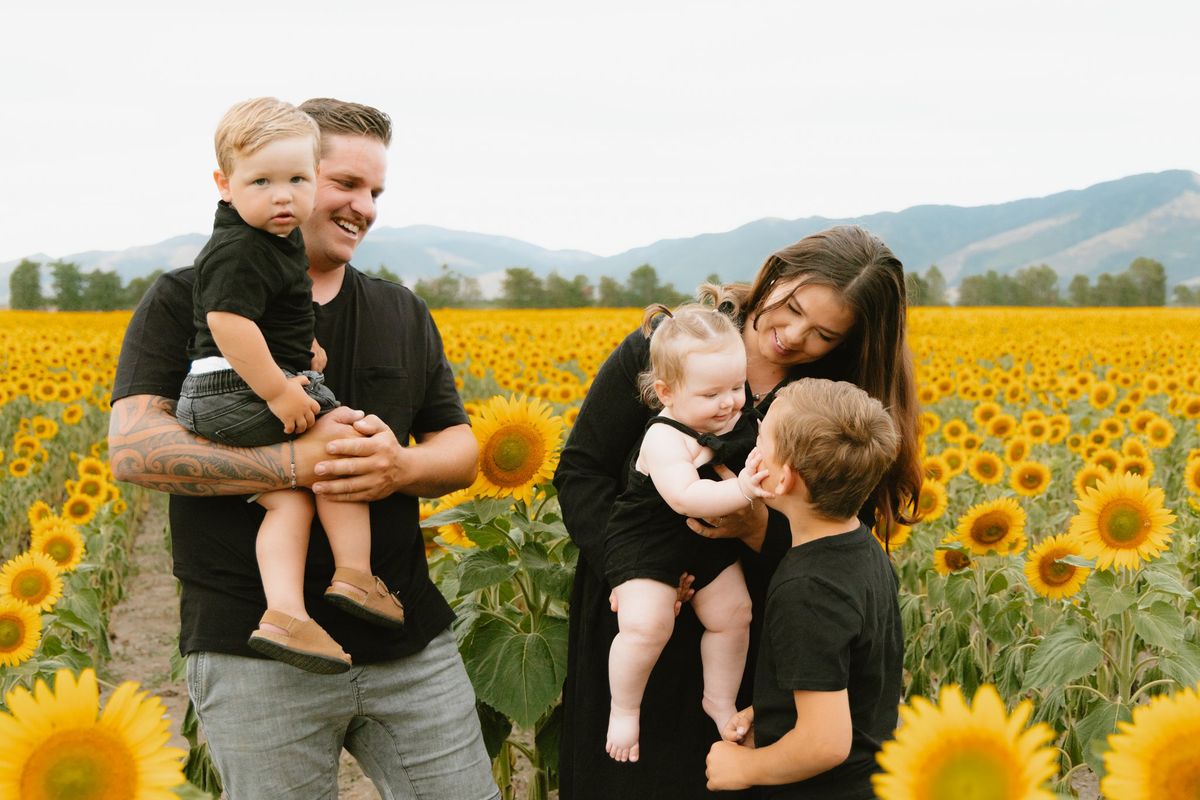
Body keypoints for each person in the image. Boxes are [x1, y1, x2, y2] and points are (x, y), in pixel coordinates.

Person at [109, 98, 500, 799]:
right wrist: (294, 465)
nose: (365, 208)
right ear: (282, 177)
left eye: (376, 192)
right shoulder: (185, 296)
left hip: (407, 642)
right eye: (345, 184)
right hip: (252, 653)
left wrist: (400, 466)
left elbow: (460, 447)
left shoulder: (400, 309)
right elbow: (135, 449)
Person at [553, 225, 921, 799]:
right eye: (792, 307)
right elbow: (581, 471)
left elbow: (835, 533)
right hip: (637, 617)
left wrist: (754, 530)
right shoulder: (672, 345)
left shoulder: (827, 397)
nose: (793, 335)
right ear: (776, 273)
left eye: (823, 333)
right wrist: (629, 569)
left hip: (747, 630)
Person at [176, 97, 402, 674]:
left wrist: (303, 353)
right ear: (224, 185)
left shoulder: (270, 245)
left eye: (298, 179)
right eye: (263, 182)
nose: (283, 196)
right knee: (343, 438)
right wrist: (280, 389)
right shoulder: (238, 247)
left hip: (236, 387)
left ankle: (285, 614)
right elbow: (227, 322)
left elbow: (270, 317)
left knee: (290, 502)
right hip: (230, 390)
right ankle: (354, 574)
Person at [704, 378, 903, 798]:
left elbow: (825, 743)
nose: (752, 449)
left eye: (761, 440)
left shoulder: (807, 591)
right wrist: (776, 706)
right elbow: (848, 672)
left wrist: (745, 766)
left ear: (783, 481)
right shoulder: (862, 549)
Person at [604, 304, 769, 763]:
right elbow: (685, 497)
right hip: (648, 539)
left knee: (736, 614)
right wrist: (743, 488)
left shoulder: (736, 419)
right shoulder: (664, 437)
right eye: (712, 393)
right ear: (667, 393)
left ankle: (719, 698)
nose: (729, 403)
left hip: (704, 540)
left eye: (738, 387)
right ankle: (624, 708)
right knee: (645, 626)